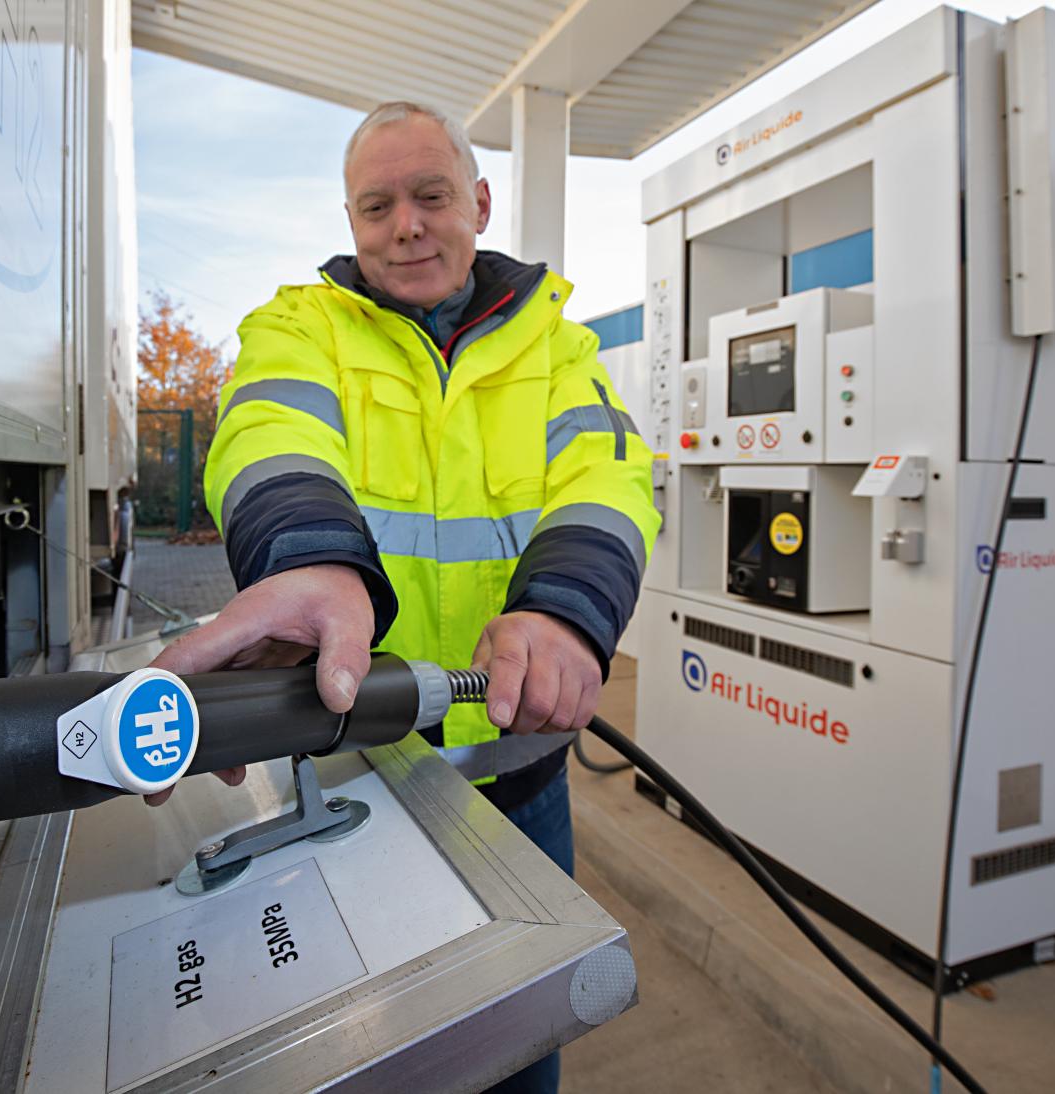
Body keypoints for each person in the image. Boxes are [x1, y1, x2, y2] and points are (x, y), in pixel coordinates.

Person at [150, 101, 658, 1092]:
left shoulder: (556, 346)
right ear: (351, 221)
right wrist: (306, 554)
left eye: (429, 197)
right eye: (376, 205)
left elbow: (609, 478)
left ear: (478, 201)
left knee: (514, 1052)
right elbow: (268, 435)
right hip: (348, 781)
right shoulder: (301, 327)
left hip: (517, 787)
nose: (406, 225)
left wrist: (562, 610)